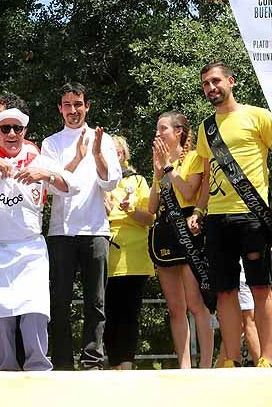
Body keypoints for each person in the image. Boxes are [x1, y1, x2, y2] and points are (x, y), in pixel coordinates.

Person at [187, 62, 272, 368]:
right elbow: (208, 174)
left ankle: (265, 357)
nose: (211, 88)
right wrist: (199, 209)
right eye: (206, 84)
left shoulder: (258, 116)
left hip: (252, 215)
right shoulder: (205, 128)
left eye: (215, 81)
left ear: (231, 81)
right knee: (225, 291)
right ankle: (232, 358)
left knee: (261, 286)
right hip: (217, 219)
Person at [0, 105, 75, 371]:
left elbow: (71, 186)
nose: (12, 134)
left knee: (34, 312)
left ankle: (38, 368)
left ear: (24, 132)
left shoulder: (37, 157)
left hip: (29, 249)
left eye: (17, 128)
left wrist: (46, 174)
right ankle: (6, 368)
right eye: (5, 128)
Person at [40, 83, 120, 370]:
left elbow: (110, 182)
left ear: (87, 106)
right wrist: (75, 159)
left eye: (78, 104)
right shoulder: (51, 143)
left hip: (96, 229)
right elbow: (55, 186)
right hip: (61, 232)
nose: (73, 110)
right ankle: (62, 363)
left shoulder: (105, 140)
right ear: (60, 108)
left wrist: (97, 153)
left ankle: (92, 360)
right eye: (67, 104)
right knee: (59, 301)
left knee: (95, 301)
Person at [147, 112, 214, 369]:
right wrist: (157, 172)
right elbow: (153, 206)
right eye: (157, 129)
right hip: (165, 230)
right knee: (176, 307)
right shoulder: (159, 160)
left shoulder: (195, 158)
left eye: (162, 129)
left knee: (196, 304)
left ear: (179, 132)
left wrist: (168, 167)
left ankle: (206, 366)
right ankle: (184, 366)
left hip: (189, 228)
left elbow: (188, 191)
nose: (157, 134)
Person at [101, 136, 154, 370]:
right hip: (107, 256)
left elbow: (150, 218)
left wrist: (129, 210)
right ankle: (113, 364)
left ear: (125, 153)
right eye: (110, 151)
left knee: (130, 313)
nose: (115, 154)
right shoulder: (100, 181)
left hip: (135, 257)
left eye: (118, 150)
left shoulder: (139, 180)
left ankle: (127, 365)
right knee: (109, 313)